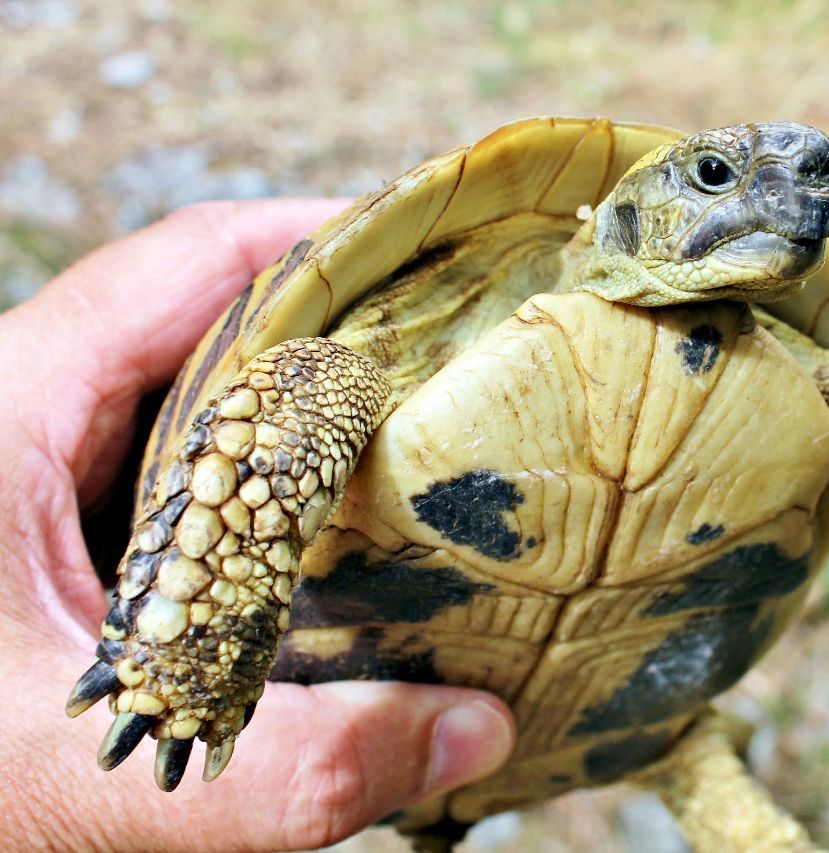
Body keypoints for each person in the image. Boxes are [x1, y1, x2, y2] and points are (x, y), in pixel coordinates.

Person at [0, 199, 516, 851]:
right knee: (306, 385)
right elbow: (309, 375)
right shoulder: (347, 374)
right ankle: (196, 642)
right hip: (376, 659)